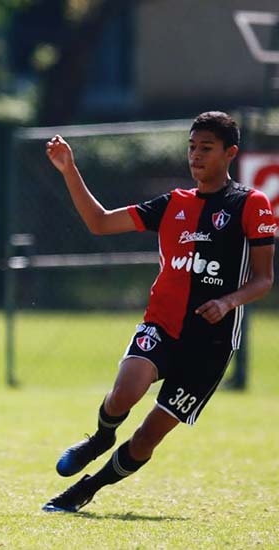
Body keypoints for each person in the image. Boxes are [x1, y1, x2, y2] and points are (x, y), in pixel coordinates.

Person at [42, 111, 275, 513]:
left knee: (149, 436)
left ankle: (86, 489)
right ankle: (100, 437)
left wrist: (227, 301)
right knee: (126, 391)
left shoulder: (250, 204)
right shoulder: (173, 204)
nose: (195, 156)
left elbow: (264, 279)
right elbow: (99, 223)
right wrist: (69, 169)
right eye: (191, 147)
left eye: (206, 148)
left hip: (210, 344)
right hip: (162, 325)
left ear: (230, 153)